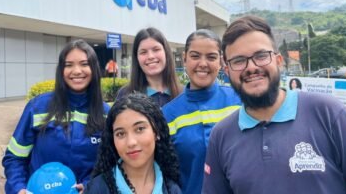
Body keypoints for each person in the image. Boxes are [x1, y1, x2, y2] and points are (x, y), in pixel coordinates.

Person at [202, 15, 346, 193]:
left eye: (261, 56)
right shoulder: (221, 136)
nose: (251, 67)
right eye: (238, 61)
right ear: (227, 71)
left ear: (279, 61)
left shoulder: (328, 113)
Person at [2, 39, 110, 194]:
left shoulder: (106, 113)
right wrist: (18, 188)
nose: (77, 71)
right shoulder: (38, 107)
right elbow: (14, 157)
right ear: (61, 70)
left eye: (84, 64)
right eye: (69, 65)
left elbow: (110, 165)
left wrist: (90, 186)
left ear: (94, 68)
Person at [162, 29, 242, 194]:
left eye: (211, 57)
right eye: (195, 56)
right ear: (184, 59)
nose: (203, 63)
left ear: (221, 62)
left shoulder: (240, 101)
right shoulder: (167, 115)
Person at [84, 93, 181, 194]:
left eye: (139, 129)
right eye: (120, 134)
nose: (131, 142)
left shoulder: (171, 189)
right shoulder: (97, 189)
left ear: (157, 132)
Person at [116, 27, 182, 107]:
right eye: (143, 52)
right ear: (137, 58)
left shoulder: (184, 94)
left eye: (156, 49)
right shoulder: (125, 95)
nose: (150, 56)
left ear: (166, 52)